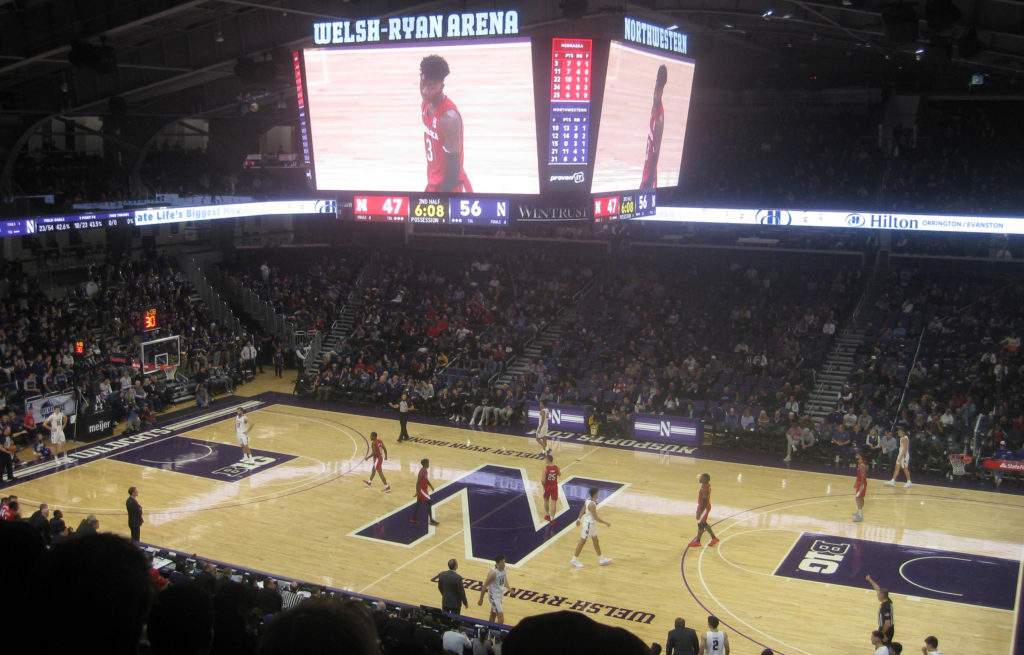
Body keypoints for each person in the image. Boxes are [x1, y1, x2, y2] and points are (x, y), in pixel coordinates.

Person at [420, 54, 472, 193]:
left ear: (442, 86)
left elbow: (454, 168)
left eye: (431, 87)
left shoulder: (449, 118)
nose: (425, 91)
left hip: (451, 187)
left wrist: (443, 199)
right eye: (423, 83)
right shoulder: (425, 106)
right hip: (434, 183)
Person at [570, 486, 612, 568]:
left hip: (592, 525)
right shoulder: (592, 505)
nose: (599, 494)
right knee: (582, 541)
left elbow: (583, 509)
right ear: (595, 494)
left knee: (596, 541)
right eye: (598, 493)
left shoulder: (588, 500)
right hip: (588, 525)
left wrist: (578, 518)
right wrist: (606, 523)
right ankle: (574, 559)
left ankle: (601, 559)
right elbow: (596, 518)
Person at [640, 64, 668, 189]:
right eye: (655, 90)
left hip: (649, 175)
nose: (655, 94)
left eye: (658, 92)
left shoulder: (660, 118)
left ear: (662, 93)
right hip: (646, 170)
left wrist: (650, 179)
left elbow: (656, 152)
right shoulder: (654, 106)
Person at [689, 473, 719, 548]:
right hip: (705, 507)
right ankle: (714, 538)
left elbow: (705, 500)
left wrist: (700, 511)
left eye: (701, 478)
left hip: (704, 507)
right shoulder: (706, 486)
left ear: (705, 480)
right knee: (703, 523)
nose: (699, 479)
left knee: (700, 524)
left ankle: (698, 541)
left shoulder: (705, 488)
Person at [477, 554, 509, 624]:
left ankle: (489, 629)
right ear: (497, 563)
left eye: (504, 562)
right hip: (494, 596)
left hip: (499, 595)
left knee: (493, 614)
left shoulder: (505, 568)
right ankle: (498, 633)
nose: (504, 564)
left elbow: (504, 578)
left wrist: (509, 588)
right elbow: (484, 586)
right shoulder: (493, 573)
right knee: (501, 618)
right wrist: (481, 599)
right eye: (502, 562)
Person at [866, 574, 894, 644]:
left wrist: (882, 634)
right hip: (884, 628)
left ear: (882, 596)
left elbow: (887, 623)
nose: (877, 596)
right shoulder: (888, 599)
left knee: (882, 646)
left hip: (886, 630)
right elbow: (877, 589)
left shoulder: (885, 607)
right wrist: (870, 580)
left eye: (878, 595)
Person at [411, 458, 438, 526]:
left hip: (424, 490)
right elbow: (417, 483)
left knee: (418, 504)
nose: (429, 464)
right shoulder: (421, 473)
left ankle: (414, 519)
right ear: (425, 464)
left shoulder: (425, 470)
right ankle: (431, 520)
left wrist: (430, 485)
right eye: (428, 463)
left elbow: (426, 479)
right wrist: (417, 492)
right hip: (422, 490)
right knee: (429, 502)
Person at [541, 454, 560, 523]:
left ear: (548, 460)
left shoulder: (545, 468)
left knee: (546, 500)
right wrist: (558, 470)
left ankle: (547, 515)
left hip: (547, 487)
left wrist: (543, 488)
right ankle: (552, 519)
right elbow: (559, 474)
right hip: (554, 487)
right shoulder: (556, 467)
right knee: (553, 502)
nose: (545, 460)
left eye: (545, 459)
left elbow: (543, 480)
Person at [853, 453, 868, 522]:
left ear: (860, 456)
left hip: (862, 483)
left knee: (858, 498)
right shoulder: (860, 464)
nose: (856, 456)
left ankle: (860, 515)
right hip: (859, 482)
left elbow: (863, 476)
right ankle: (859, 512)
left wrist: (861, 485)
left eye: (857, 455)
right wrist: (856, 482)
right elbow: (859, 475)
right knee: (860, 497)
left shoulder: (862, 465)